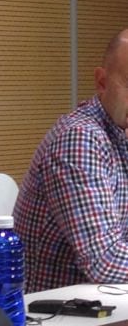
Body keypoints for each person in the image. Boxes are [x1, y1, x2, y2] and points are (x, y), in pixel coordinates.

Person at [14, 28, 128, 292]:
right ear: (102, 82)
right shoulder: (81, 138)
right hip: (52, 312)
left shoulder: (119, 130)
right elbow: (105, 260)